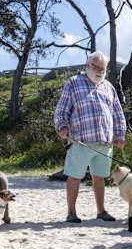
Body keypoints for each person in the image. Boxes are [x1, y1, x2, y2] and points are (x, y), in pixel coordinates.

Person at [54, 51, 126, 223]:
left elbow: (118, 113)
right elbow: (61, 111)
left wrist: (120, 134)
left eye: (103, 68)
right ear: (88, 65)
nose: (99, 71)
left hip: (104, 142)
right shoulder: (73, 82)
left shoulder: (109, 87)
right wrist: (62, 127)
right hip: (80, 141)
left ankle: (101, 211)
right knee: (74, 177)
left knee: (100, 177)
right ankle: (71, 213)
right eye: (96, 67)